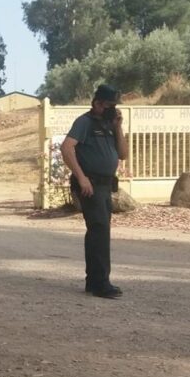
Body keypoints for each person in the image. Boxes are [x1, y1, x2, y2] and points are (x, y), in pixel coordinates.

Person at [60, 84, 130, 299]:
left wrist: (118, 127)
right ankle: (101, 283)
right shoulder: (85, 123)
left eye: (114, 106)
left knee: (100, 231)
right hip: (90, 185)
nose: (112, 109)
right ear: (97, 103)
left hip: (105, 185)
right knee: (99, 230)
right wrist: (82, 178)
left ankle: (94, 280)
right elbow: (66, 147)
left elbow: (123, 154)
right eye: (109, 105)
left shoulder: (110, 124)